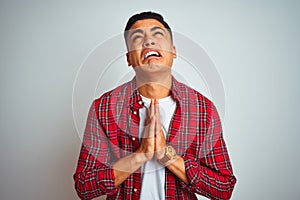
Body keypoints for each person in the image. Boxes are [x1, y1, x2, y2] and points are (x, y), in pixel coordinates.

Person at [73, 11, 236, 200]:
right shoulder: (103, 108)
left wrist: (168, 157)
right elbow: (84, 186)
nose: (149, 41)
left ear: (173, 51)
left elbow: (223, 188)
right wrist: (139, 156)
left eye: (158, 34)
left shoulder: (203, 110)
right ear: (128, 59)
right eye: (138, 37)